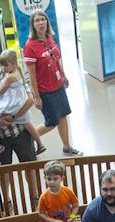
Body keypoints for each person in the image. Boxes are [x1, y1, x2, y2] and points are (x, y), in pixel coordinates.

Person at [24, 11, 82, 156]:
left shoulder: (50, 38)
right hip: (45, 91)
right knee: (51, 122)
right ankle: (27, 138)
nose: (41, 23)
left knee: (63, 116)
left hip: (58, 86)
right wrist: (37, 97)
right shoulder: (30, 46)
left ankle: (67, 147)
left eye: (43, 19)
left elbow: (55, 60)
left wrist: (63, 76)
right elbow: (31, 75)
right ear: (33, 25)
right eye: (37, 21)